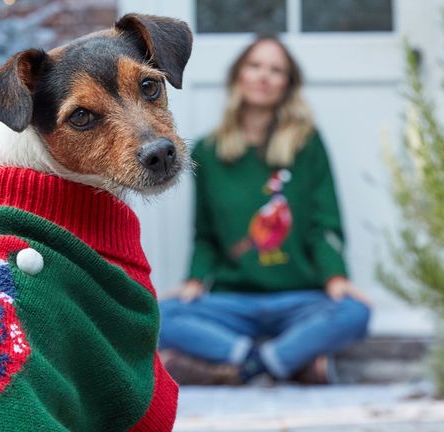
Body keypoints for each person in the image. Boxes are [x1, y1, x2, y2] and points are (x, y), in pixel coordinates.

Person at [159, 36, 372, 385]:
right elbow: (205, 235)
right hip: (232, 303)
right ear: (238, 76)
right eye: (255, 66)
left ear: (288, 85)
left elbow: (324, 221)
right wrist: (194, 281)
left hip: (300, 299)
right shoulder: (209, 153)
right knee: (160, 315)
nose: (264, 76)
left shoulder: (306, 144)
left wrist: (337, 279)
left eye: (276, 70)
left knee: (355, 312)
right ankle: (283, 362)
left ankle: (242, 366)